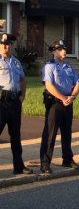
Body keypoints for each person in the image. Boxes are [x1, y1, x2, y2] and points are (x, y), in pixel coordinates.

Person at [40, 40, 79, 173]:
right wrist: (63, 98)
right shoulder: (49, 66)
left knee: (67, 133)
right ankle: (45, 163)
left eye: (64, 48)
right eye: (60, 49)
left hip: (68, 103)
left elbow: (77, 83)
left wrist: (72, 97)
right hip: (55, 104)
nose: (64, 51)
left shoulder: (69, 67)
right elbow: (49, 86)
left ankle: (67, 159)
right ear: (54, 51)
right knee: (50, 134)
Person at [0, 33, 33, 175]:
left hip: (14, 102)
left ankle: (18, 166)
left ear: (11, 46)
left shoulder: (16, 62)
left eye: (8, 44)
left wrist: (23, 96)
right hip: (1, 103)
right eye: (3, 44)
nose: (5, 46)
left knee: (15, 136)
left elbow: (22, 80)